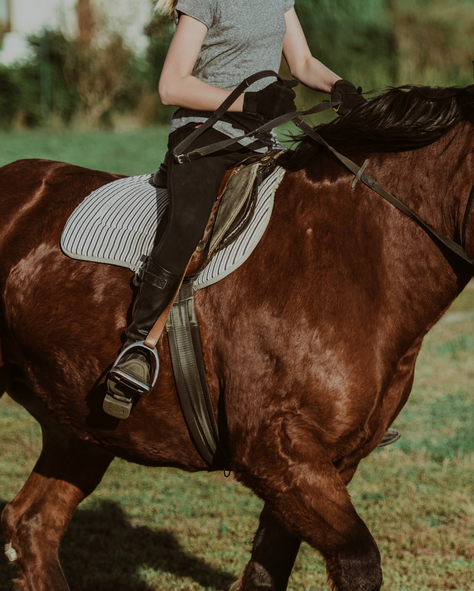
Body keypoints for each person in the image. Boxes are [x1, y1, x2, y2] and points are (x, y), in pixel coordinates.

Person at [104, 0, 363, 419]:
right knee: (188, 229)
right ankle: (137, 346)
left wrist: (338, 86)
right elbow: (171, 85)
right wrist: (249, 104)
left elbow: (302, 61)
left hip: (260, 140)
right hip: (203, 136)